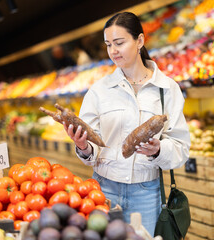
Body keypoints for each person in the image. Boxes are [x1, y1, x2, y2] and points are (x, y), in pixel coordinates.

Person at [61, 12, 190, 235]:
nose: (113, 51)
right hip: (104, 188)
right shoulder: (99, 90)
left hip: (147, 192)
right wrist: (83, 146)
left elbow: (181, 147)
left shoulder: (167, 89)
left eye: (119, 43)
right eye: (109, 44)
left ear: (139, 41)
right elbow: (93, 148)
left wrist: (158, 150)